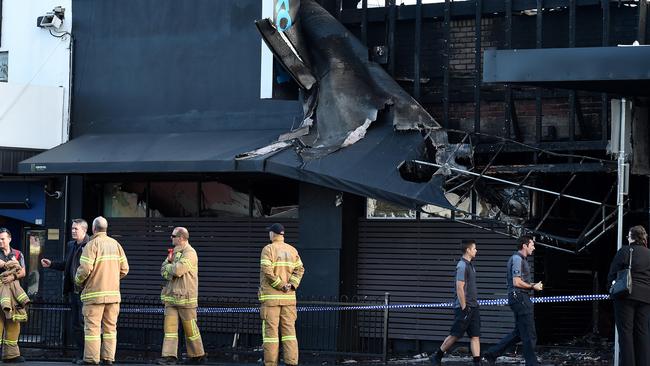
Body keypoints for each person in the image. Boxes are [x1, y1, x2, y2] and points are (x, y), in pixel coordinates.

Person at [74, 217, 129, 365]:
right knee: (110, 329)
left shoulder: (91, 245)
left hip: (94, 296)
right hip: (113, 297)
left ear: (93, 229)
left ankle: (91, 360)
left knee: (92, 329)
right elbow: (125, 269)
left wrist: (78, 282)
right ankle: (108, 359)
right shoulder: (116, 245)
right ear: (106, 228)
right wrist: (111, 279)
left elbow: (84, 269)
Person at [484, 235, 543, 366]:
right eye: (532, 244)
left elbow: (521, 281)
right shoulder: (517, 259)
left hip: (518, 297)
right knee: (529, 332)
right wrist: (533, 286)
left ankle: (492, 353)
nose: (534, 247)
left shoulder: (521, 259)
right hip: (520, 298)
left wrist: (533, 285)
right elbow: (516, 282)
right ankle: (531, 363)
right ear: (524, 246)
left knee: (519, 333)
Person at [42, 218, 90, 362]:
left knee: (85, 324)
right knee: (76, 324)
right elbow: (66, 265)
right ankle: (80, 354)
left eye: (76, 229)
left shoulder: (90, 245)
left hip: (85, 292)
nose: (73, 231)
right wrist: (51, 264)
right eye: (72, 228)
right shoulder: (71, 245)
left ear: (84, 230)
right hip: (73, 292)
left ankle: (88, 355)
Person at [157, 227, 206, 365]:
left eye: (173, 236)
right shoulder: (173, 253)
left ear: (181, 238)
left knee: (191, 329)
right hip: (171, 298)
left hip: (186, 298)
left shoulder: (190, 253)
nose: (171, 238)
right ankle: (169, 356)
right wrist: (170, 268)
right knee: (170, 330)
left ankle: (197, 355)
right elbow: (163, 271)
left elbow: (179, 270)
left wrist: (170, 268)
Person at [259, 223, 305, 366]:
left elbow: (267, 271)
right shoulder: (292, 250)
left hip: (271, 299)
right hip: (289, 299)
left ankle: (271, 363)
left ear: (273, 234)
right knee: (289, 333)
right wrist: (291, 285)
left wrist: (280, 285)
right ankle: (291, 362)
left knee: (271, 335)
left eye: (270, 233)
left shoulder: (268, 249)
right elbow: (300, 270)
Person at [431, 239, 481, 366]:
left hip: (473, 306)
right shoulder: (461, 265)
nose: (476, 250)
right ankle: (437, 355)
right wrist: (464, 307)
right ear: (468, 250)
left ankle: (477, 362)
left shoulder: (470, 265)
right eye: (474, 248)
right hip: (464, 307)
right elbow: (460, 287)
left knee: (475, 335)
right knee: (455, 335)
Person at [608, 225, 650, 366]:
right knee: (643, 333)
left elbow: (612, 273)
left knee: (626, 334)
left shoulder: (625, 251)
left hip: (626, 296)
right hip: (645, 298)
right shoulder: (649, 254)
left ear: (631, 237)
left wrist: (610, 288)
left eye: (628, 236)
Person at [0, 228, 26, 363]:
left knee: (13, 323)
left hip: (13, 293)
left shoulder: (18, 254)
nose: (0, 241)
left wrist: (12, 277)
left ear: (9, 239)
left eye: (3, 239)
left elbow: (23, 272)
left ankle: (11, 355)